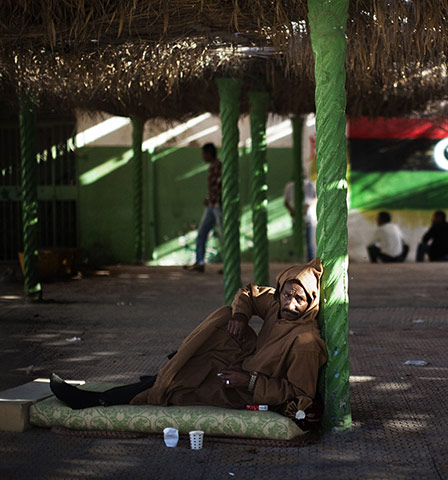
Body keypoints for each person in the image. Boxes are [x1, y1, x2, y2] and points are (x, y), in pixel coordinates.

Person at [50, 259, 328, 429]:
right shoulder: (276, 305)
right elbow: (248, 293)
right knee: (224, 317)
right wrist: (241, 317)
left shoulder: (305, 341)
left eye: (300, 299)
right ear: (280, 292)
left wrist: (250, 382)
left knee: (178, 388)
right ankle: (169, 370)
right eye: (287, 295)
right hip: (242, 363)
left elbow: (298, 394)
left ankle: (96, 400)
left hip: (246, 391)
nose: (291, 304)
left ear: (311, 301)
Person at [185, 143, 222, 273]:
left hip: (218, 205)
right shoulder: (212, 167)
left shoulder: (218, 167)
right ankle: (199, 262)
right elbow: (213, 188)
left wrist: (212, 199)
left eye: (204, 154)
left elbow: (220, 187)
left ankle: (229, 265)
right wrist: (209, 198)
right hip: (212, 205)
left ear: (209, 154)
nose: (203, 156)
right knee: (201, 233)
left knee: (224, 235)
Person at [284, 178, 317, 262]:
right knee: (297, 242)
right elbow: (286, 202)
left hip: (307, 218)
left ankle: (311, 262)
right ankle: (297, 261)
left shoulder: (309, 185)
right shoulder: (290, 186)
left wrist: (307, 206)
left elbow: (315, 197)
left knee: (309, 243)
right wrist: (292, 211)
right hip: (296, 219)